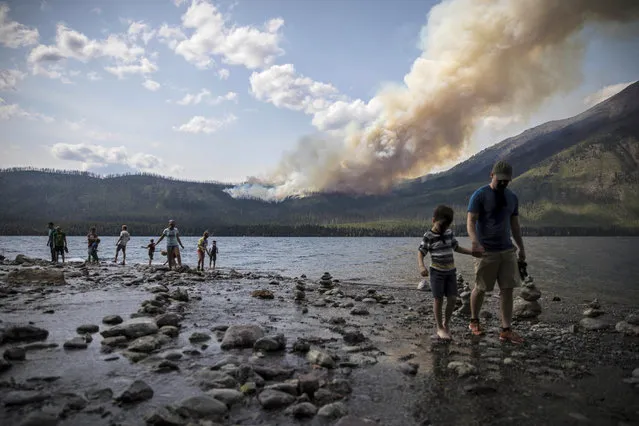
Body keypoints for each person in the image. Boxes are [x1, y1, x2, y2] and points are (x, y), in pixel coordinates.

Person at [467, 160, 526, 345]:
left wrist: (522, 248)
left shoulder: (512, 197)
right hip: (486, 251)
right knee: (481, 287)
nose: (503, 183)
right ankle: (474, 321)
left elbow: (515, 226)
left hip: (507, 251)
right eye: (500, 179)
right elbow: (471, 221)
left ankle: (506, 329)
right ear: (492, 175)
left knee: (507, 290)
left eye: (506, 180)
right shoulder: (480, 195)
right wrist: (475, 242)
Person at [418, 205, 475, 340]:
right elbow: (421, 252)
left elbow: (456, 247)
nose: (443, 228)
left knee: (453, 299)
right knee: (438, 299)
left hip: (450, 271)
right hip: (436, 272)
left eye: (446, 225)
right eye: (441, 225)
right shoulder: (429, 236)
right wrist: (421, 266)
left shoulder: (449, 233)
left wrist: (472, 252)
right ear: (433, 220)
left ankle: (446, 323)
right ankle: (439, 327)